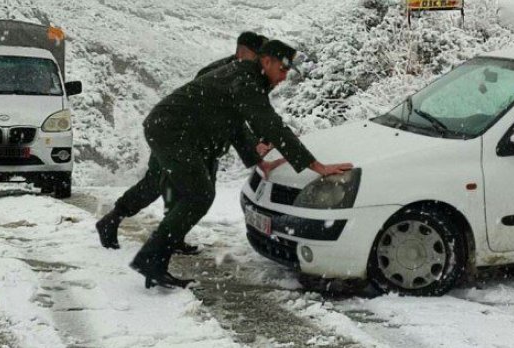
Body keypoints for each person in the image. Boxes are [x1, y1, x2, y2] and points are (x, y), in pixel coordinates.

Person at [129, 39, 353, 289]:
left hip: (177, 131)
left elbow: (234, 123)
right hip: (172, 130)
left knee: (196, 195)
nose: (283, 77)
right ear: (266, 61)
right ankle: (151, 259)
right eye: (282, 69)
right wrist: (317, 166)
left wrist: (259, 161)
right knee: (198, 196)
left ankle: (152, 260)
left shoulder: (248, 78)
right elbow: (271, 124)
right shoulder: (245, 80)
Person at [95, 31, 269, 254]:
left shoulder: (245, 76)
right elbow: (232, 120)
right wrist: (253, 146)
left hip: (202, 144)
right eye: (261, 57)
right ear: (245, 53)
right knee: (159, 184)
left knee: (193, 194)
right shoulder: (219, 74)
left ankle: (171, 235)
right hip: (177, 137)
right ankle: (113, 220)